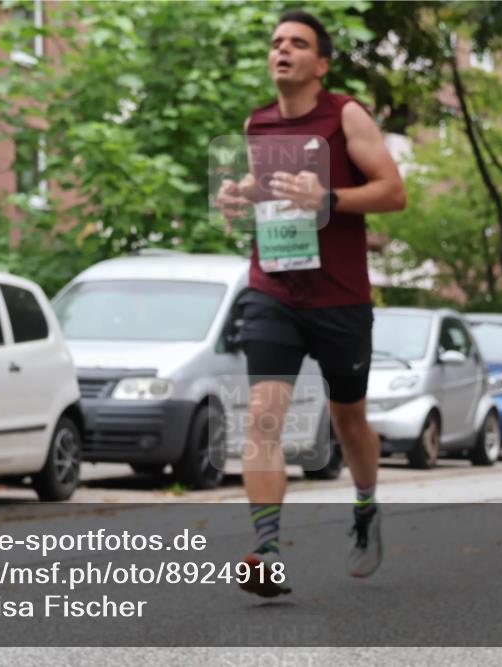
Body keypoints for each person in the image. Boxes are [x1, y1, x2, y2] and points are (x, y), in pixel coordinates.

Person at [215, 10, 407, 597]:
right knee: (264, 416)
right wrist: (237, 197)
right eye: (276, 43)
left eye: (298, 44)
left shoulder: (344, 114)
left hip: (340, 297)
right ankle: (268, 551)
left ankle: (366, 506)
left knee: (349, 419)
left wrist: (329, 196)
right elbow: (263, 190)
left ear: (320, 64)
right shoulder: (258, 124)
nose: (283, 51)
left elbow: (393, 193)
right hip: (273, 289)